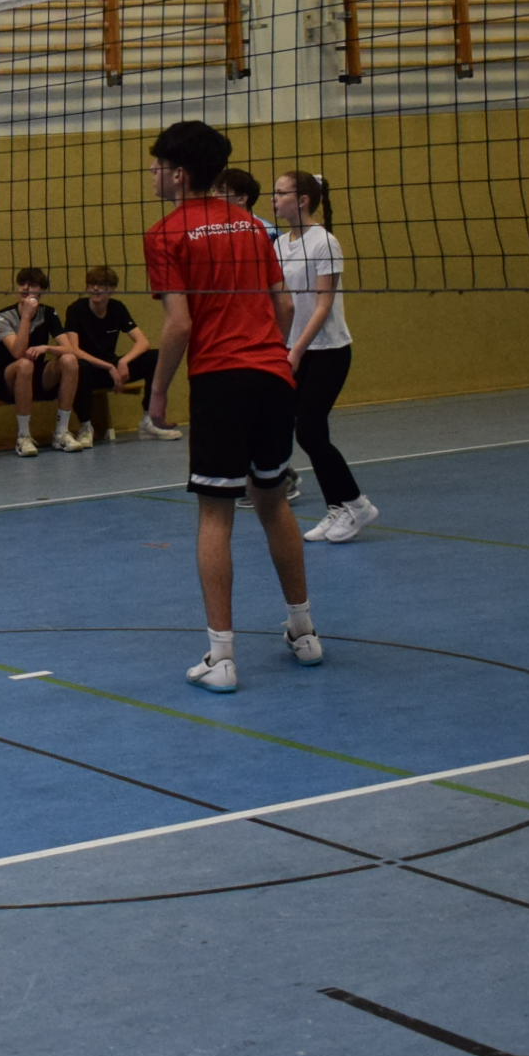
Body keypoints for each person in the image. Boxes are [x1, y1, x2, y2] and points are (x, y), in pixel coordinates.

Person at [146, 122, 321, 696]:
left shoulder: (166, 234)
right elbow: (284, 305)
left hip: (220, 381)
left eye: (157, 167)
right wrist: (269, 355)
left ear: (179, 174)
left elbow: (178, 325)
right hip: (272, 376)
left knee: (216, 515)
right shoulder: (253, 225)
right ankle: (305, 631)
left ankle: (221, 657)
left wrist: (157, 392)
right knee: (272, 501)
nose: (152, 175)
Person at [274, 171, 379, 544]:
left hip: (328, 351)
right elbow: (282, 302)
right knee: (310, 431)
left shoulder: (325, 243)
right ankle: (338, 507)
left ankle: (357, 504)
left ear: (302, 200)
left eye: (281, 193)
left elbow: (323, 306)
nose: (274, 199)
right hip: (294, 350)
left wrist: (296, 349)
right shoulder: (280, 244)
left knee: (308, 430)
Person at [0, 268, 88, 458]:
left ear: (41, 290)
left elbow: (70, 349)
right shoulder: (2, 317)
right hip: (6, 378)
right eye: (22, 284)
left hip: (37, 376)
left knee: (69, 360)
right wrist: (26, 316)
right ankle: (23, 436)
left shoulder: (48, 313)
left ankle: (61, 432)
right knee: (24, 364)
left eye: (32, 285)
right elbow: (18, 352)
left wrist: (47, 348)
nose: (26, 288)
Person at [57, 266, 158, 442]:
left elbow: (143, 342)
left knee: (156, 357)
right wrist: (109, 367)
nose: (95, 288)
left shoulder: (117, 308)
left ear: (111, 289)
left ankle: (149, 419)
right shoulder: (76, 309)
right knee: (79, 367)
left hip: (113, 369)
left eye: (101, 285)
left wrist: (124, 361)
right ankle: (86, 427)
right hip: (90, 369)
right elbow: (75, 350)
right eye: (92, 284)